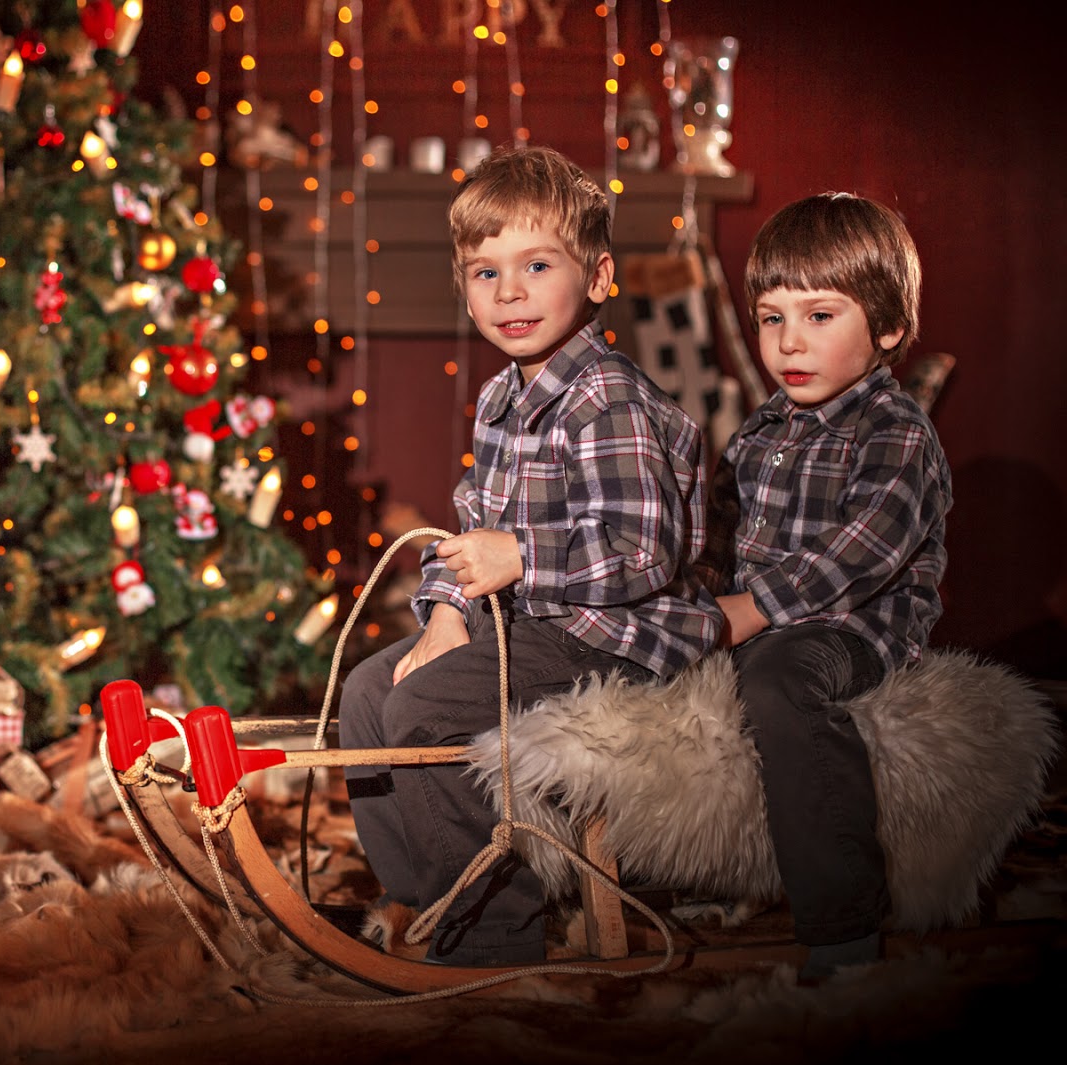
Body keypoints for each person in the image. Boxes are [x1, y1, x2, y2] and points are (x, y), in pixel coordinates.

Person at [340, 145, 720, 966]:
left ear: (599, 276)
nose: (508, 292)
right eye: (485, 272)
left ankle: (493, 929)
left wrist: (521, 557)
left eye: (536, 264)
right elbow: (470, 527)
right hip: (529, 623)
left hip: (610, 634)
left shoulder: (607, 397)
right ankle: (419, 900)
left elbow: (643, 549)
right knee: (370, 694)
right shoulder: (501, 400)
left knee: (423, 711)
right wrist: (446, 613)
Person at [699, 192, 952, 981]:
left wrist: (753, 607)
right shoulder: (760, 429)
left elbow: (862, 551)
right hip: (761, 620)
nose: (788, 342)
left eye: (818, 316)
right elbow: (719, 530)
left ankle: (842, 919)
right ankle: (686, 873)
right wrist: (694, 597)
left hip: (856, 628)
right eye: (772, 318)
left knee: (780, 681)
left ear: (884, 328)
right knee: (664, 680)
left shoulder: (896, 430)